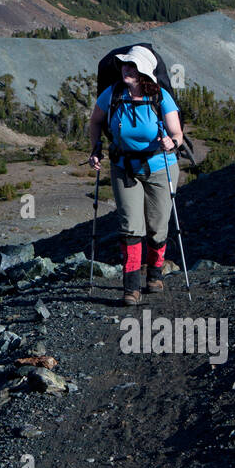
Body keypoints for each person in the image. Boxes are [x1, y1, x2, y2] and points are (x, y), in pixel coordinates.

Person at [87, 45, 186, 305]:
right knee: (130, 227)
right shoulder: (112, 94)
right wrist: (95, 147)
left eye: (132, 66)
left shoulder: (160, 96)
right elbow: (95, 121)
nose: (126, 69)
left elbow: (177, 133)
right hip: (124, 167)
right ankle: (131, 287)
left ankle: (154, 274)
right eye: (124, 65)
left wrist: (172, 142)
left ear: (144, 72)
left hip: (160, 166)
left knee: (157, 225)